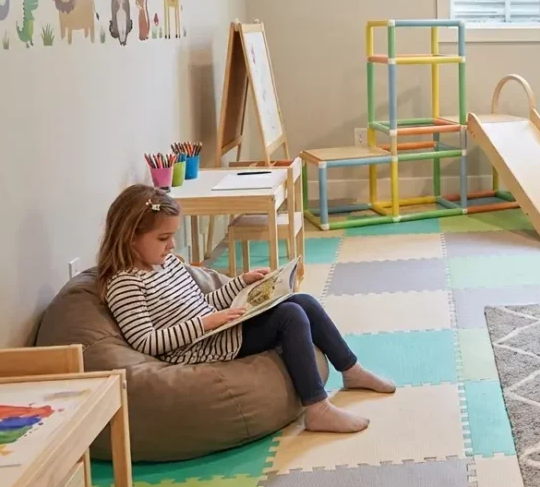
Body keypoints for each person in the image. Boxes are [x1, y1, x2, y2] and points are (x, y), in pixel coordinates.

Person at [98, 184, 394, 433]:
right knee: (290, 316)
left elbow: (204, 303)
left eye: (173, 237)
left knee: (302, 301)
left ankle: (351, 369)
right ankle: (317, 407)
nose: (172, 246)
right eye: (163, 239)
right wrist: (207, 324)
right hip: (200, 348)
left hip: (217, 331)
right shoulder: (125, 283)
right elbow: (145, 342)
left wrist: (241, 285)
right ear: (129, 236)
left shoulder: (168, 264)